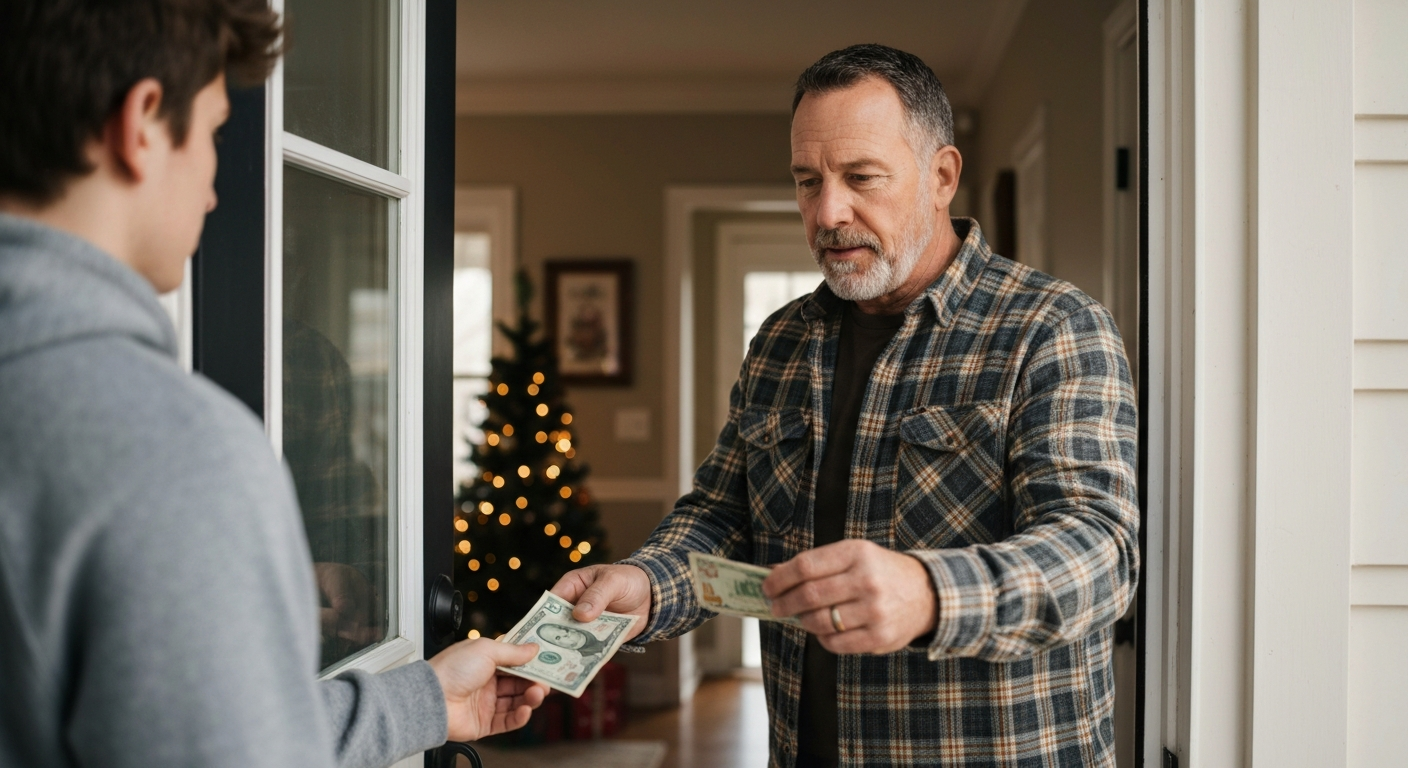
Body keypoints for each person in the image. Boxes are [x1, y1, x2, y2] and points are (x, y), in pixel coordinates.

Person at [553, 44, 1139, 767]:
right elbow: (722, 515)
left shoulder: (1053, 326)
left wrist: (928, 593)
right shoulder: (780, 340)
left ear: (941, 176)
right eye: (807, 181)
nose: (828, 212)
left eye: (861, 177)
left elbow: (1100, 554)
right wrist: (645, 583)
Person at [0, 2, 547, 766]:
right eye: (217, 133)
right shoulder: (177, 450)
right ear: (144, 123)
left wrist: (422, 699)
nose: (217, 190)